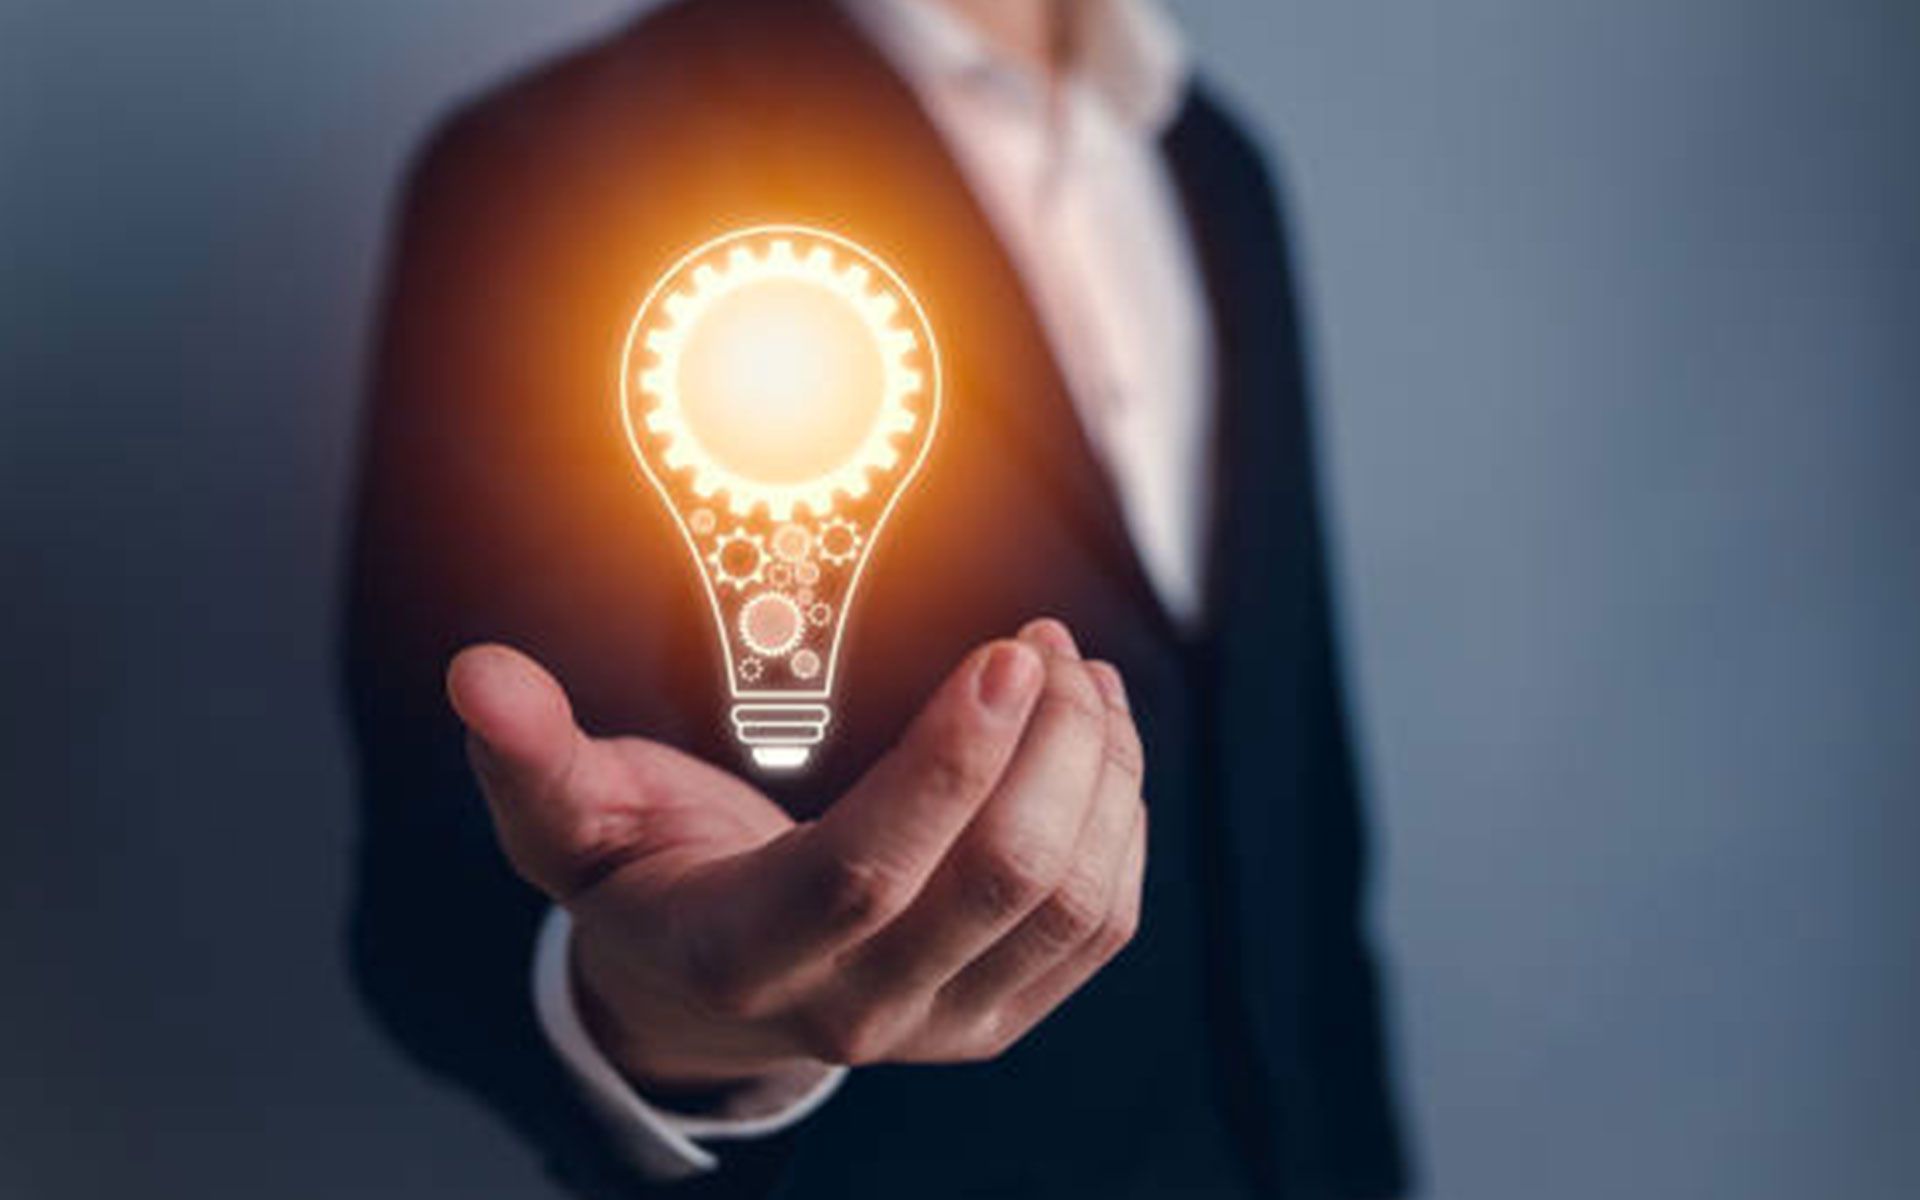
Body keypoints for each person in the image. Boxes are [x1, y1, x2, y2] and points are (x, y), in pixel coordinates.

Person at [345, 0, 1409, 1196]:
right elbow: (450, 892)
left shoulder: (1214, 167)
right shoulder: (562, 160)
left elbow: (1297, 809)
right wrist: (682, 1020)